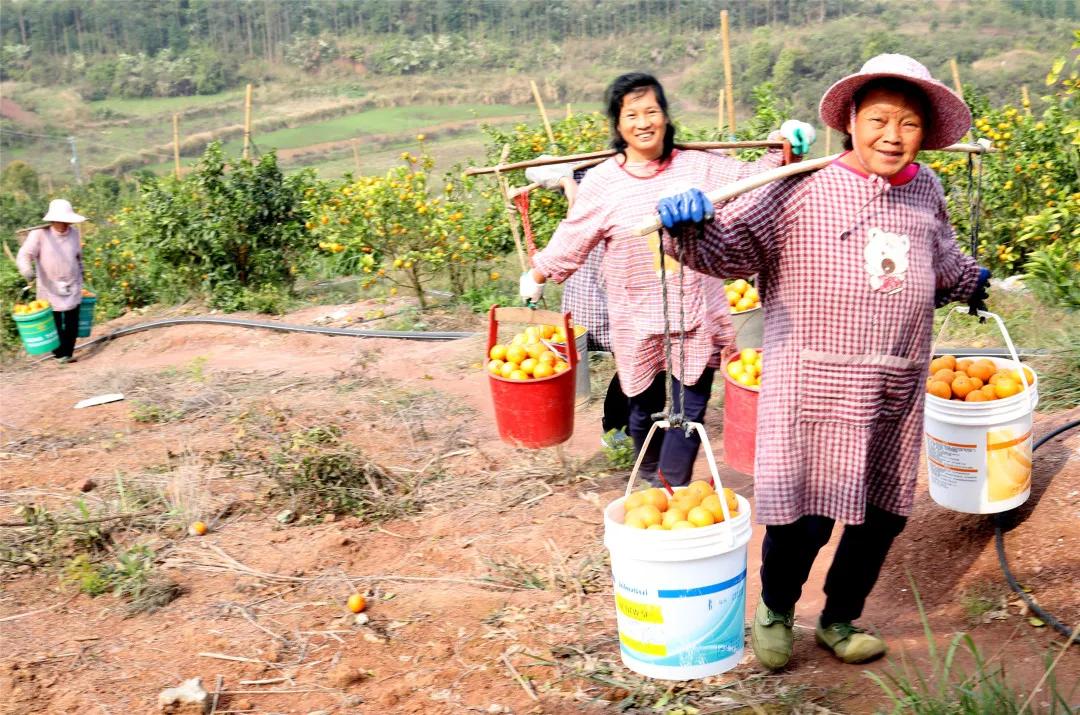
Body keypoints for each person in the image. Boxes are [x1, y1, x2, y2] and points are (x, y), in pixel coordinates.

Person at [656, 54, 991, 668]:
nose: (893, 136)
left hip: (895, 383)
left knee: (881, 516)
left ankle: (841, 618)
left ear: (925, 134)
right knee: (803, 516)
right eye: (881, 119)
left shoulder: (926, 189)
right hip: (812, 385)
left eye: (909, 124)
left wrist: (970, 280)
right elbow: (730, 248)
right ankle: (776, 610)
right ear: (853, 120)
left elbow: (939, 258)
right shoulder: (800, 186)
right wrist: (690, 229)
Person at [518, 71, 815, 488]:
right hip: (635, 317)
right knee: (642, 409)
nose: (644, 122)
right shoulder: (604, 181)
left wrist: (783, 145)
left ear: (665, 116)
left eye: (652, 111)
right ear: (619, 125)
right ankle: (650, 471)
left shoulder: (697, 166)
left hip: (696, 310)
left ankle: (670, 489)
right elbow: (573, 236)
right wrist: (537, 272)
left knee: (690, 411)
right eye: (632, 114)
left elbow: (752, 182)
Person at [17, 199, 88, 364]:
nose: (64, 224)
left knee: (72, 322)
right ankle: (59, 355)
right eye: (61, 220)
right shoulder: (39, 234)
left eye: (66, 221)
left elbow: (78, 257)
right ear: (53, 219)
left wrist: (81, 272)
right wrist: (27, 270)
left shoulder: (74, 234)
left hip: (72, 283)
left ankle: (68, 354)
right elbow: (25, 254)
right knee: (54, 323)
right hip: (49, 286)